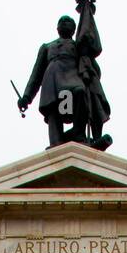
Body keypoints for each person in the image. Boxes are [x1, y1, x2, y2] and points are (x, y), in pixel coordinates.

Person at [18, 10, 111, 151]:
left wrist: (89, 63)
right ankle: (56, 142)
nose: (64, 23)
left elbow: (93, 67)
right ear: (57, 28)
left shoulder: (79, 47)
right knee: (54, 110)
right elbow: (36, 75)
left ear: (74, 29)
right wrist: (27, 97)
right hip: (52, 79)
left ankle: (78, 134)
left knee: (80, 92)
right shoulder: (47, 47)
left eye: (68, 21)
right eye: (61, 21)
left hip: (73, 77)